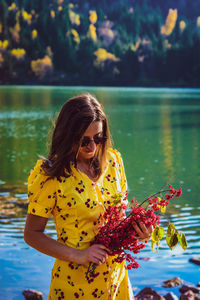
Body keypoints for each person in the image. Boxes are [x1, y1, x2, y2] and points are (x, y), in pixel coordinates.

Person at [24, 93, 153, 300]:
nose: (92, 147)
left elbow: (118, 219)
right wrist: (78, 255)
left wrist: (139, 232)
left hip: (116, 280)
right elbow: (32, 234)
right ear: (68, 135)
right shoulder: (50, 175)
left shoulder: (113, 162)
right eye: (84, 141)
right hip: (74, 285)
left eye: (98, 138)